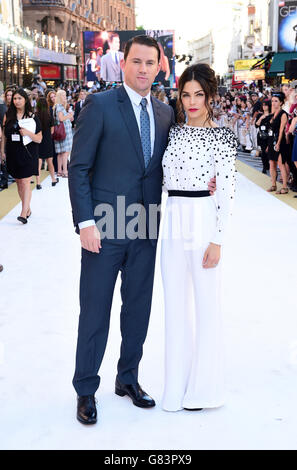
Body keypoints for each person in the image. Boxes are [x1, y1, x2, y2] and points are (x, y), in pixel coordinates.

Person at [68, 34, 217, 425]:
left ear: (158, 66)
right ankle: (86, 389)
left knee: (138, 310)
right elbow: (79, 168)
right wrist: (85, 222)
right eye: (136, 62)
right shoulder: (99, 105)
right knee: (95, 312)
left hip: (148, 228)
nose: (143, 69)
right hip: (103, 228)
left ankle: (128, 378)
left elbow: (176, 163)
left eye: (150, 63)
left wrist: (209, 181)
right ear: (123, 63)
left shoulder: (166, 112)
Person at [161, 63, 237, 412]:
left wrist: (218, 240)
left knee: (207, 307)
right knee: (175, 308)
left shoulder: (221, 137)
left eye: (199, 95)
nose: (192, 101)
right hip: (173, 224)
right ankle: (175, 388)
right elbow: (163, 180)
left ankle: (205, 389)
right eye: (186, 94)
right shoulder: (173, 133)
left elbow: (228, 193)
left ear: (210, 97)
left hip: (204, 222)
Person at [1, 88, 42, 223]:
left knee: (25, 182)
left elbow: (39, 139)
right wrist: (2, 151)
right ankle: (28, 208)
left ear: (25, 100)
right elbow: (5, 136)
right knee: (19, 182)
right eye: (14, 98)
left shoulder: (32, 116)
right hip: (13, 152)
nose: (17, 101)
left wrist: (28, 133)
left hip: (28, 153)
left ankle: (23, 213)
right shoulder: (8, 115)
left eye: (19, 98)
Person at [266, 92, 289, 195]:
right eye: (272, 101)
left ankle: (284, 187)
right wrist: (268, 145)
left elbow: (281, 130)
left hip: (279, 141)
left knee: (281, 164)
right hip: (271, 140)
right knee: (272, 164)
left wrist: (278, 143)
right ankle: (273, 184)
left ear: (281, 103)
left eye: (276, 101)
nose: (274, 103)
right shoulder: (273, 114)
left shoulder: (283, 114)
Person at [35, 96, 59, 189]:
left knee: (39, 162)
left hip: (38, 140)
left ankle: (38, 183)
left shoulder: (35, 115)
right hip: (48, 140)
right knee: (50, 162)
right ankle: (53, 180)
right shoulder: (49, 115)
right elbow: (52, 130)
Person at [53, 89, 73, 178]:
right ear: (60, 96)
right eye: (64, 95)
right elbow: (61, 119)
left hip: (60, 132)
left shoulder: (56, 106)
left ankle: (60, 171)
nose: (65, 97)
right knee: (65, 152)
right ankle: (65, 171)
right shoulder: (60, 106)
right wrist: (69, 115)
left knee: (60, 153)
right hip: (64, 132)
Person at [255, 99, 271, 174]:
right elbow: (256, 125)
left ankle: (269, 165)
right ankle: (265, 166)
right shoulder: (259, 115)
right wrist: (261, 118)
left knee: (268, 151)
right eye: (263, 105)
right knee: (263, 152)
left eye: (266, 105)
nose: (264, 107)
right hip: (261, 135)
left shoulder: (272, 115)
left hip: (269, 135)